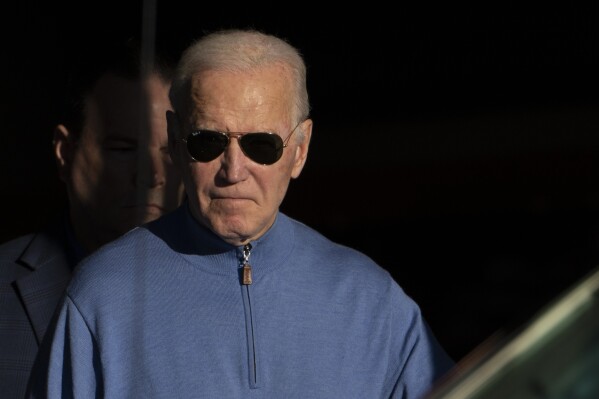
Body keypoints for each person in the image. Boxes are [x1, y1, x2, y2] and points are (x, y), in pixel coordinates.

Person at [27, 29, 454, 398]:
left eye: (261, 145)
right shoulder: (103, 295)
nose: (233, 171)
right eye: (208, 142)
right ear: (176, 141)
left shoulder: (369, 300)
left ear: (300, 149)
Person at [0, 38, 184, 398]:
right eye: (122, 149)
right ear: (65, 152)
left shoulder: (231, 290)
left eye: (171, 150)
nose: (152, 175)